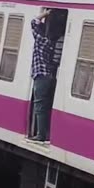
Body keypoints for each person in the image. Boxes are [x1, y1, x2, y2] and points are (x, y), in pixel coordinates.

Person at [29, 8, 56, 142]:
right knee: (47, 105)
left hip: (41, 76)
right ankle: (48, 133)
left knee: (39, 106)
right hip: (50, 76)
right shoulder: (51, 43)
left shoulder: (40, 41)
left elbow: (33, 22)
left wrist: (44, 14)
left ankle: (40, 135)